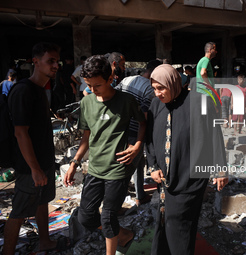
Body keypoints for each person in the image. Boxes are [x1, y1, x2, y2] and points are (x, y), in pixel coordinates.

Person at [63, 55, 146, 255]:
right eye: (89, 85)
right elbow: (86, 137)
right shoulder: (87, 103)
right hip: (95, 168)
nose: (92, 90)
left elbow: (143, 122)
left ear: (110, 79)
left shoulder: (126, 101)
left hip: (118, 168)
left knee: (108, 217)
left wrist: (137, 146)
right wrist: (74, 163)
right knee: (86, 216)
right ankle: (124, 235)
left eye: (97, 85)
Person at [146, 64, 228, 255]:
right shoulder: (156, 105)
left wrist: (221, 169)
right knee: (164, 219)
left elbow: (215, 135)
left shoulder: (199, 101)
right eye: (154, 89)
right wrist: (152, 166)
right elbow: (149, 139)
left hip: (189, 178)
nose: (157, 93)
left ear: (173, 83)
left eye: (161, 88)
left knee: (179, 223)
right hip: (165, 179)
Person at [4, 42, 63, 254]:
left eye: (57, 61)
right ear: (35, 62)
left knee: (42, 201)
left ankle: (44, 241)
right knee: (19, 212)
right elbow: (21, 133)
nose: (55, 65)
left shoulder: (41, 89)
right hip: (30, 166)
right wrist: (35, 169)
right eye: (50, 61)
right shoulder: (23, 90)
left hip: (44, 161)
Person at [116, 59, 162, 206]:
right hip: (136, 132)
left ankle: (140, 194)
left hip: (120, 128)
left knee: (138, 163)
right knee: (129, 165)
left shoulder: (127, 79)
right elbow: (144, 115)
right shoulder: (150, 89)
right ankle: (116, 204)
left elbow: (115, 97)